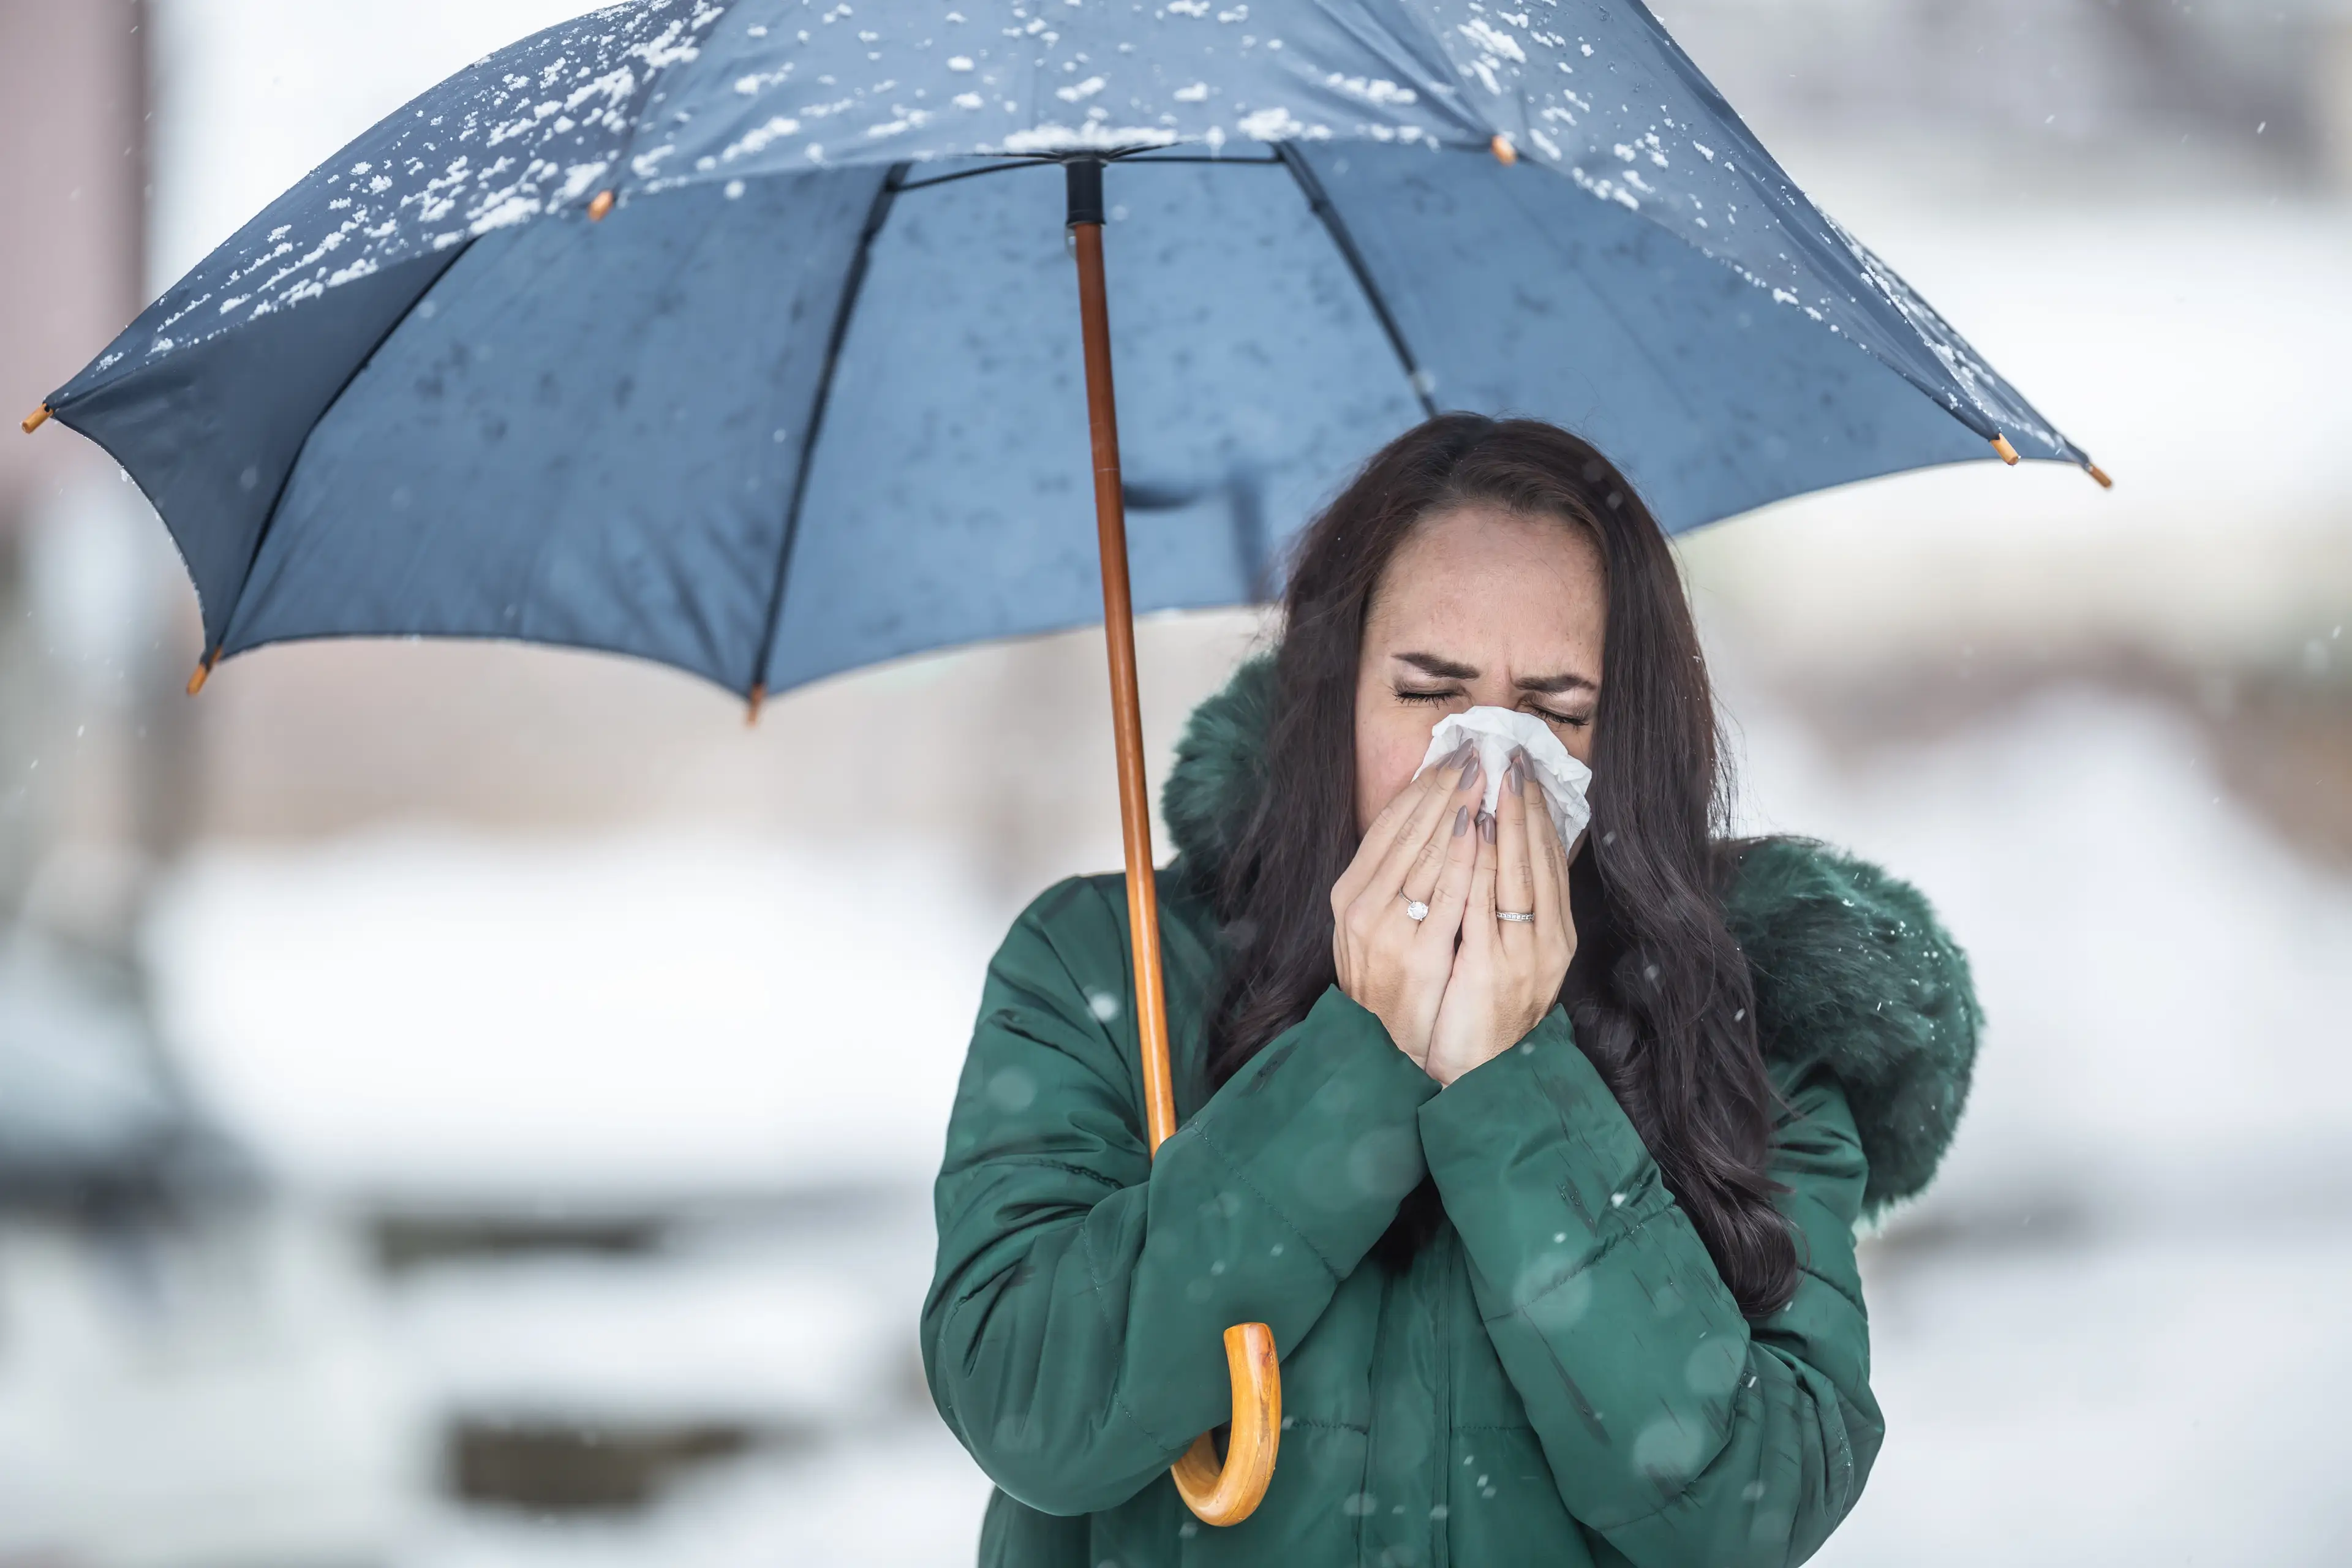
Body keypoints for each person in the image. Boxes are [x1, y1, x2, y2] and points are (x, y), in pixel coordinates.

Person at [922, 415, 1980, 1567]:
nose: (1487, 763)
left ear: (1631, 741)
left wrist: (1511, 1076)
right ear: (1332, 701)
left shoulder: (1757, 1016)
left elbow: (1751, 1508)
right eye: (1431, 690)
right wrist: (1364, 1052)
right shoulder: (1103, 970)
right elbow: (1027, 1403)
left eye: (1559, 712)